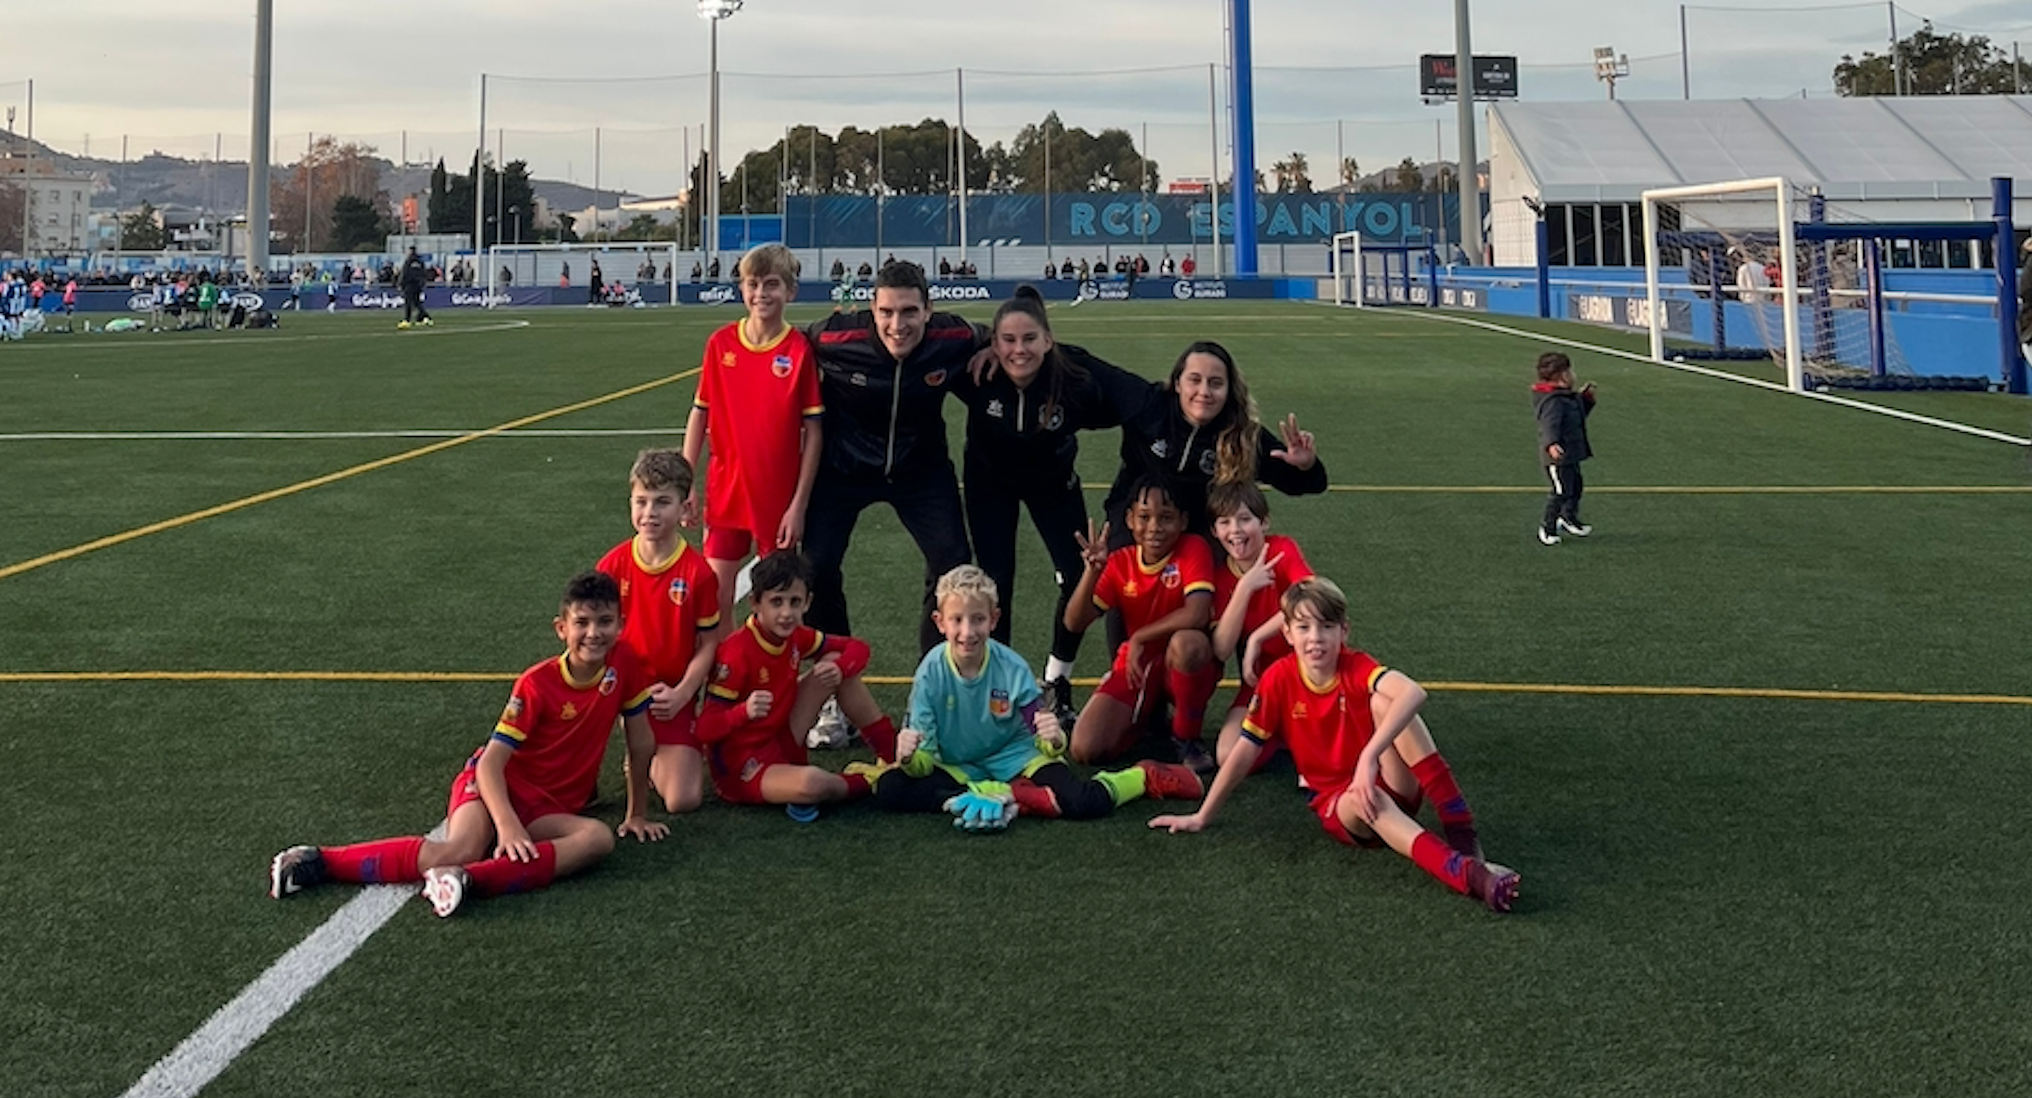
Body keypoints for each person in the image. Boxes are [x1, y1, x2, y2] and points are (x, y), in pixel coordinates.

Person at [267, 572, 669, 918]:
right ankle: (318, 861)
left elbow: (640, 742)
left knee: (597, 839)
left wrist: (636, 813)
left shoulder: (625, 663)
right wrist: (508, 826)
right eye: (582, 622)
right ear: (561, 628)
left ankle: (465, 882)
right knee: (460, 847)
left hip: (549, 805)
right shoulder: (536, 683)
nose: (594, 633)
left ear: (620, 624)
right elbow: (491, 764)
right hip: (497, 784)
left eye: (604, 622)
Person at [1149, 577, 1518, 913]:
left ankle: (1460, 828)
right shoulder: (1279, 678)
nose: (1316, 638)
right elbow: (1245, 750)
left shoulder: (1354, 664)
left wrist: (1369, 756)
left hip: (1389, 780)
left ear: (1344, 632)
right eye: (1304, 627)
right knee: (1367, 799)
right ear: (1289, 634)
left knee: (1387, 702)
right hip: (1342, 804)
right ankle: (1467, 873)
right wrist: (1203, 815)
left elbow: (1413, 692)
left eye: (1326, 628)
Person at [871, 566, 1204, 824]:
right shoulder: (930, 672)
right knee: (891, 789)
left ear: (994, 620)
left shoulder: (1011, 668)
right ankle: (1006, 797)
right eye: (957, 620)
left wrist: (1053, 739)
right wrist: (908, 758)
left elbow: (1046, 740)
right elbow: (923, 760)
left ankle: (1141, 776)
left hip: (1014, 757)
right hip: (961, 766)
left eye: (978, 619)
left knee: (1083, 803)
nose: (967, 632)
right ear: (940, 622)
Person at [955, 284, 1144, 726]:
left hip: (1054, 486)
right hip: (990, 487)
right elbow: (937, 337)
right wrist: (983, 344)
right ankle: (993, 686)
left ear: (1048, 340)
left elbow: (1136, 397)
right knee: (995, 582)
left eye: (1029, 339)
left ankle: (1057, 681)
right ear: (993, 341)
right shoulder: (974, 372)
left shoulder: (1074, 377)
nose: (1018, 350)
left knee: (1080, 577)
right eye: (1007, 340)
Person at [801, 260, 980, 659]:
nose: (897, 324)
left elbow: (1006, 338)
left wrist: (996, 354)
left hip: (922, 469)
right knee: (817, 566)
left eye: (909, 312)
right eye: (886, 312)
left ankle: (934, 677)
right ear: (872, 308)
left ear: (928, 310)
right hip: (843, 469)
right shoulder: (834, 337)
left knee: (952, 565)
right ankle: (836, 674)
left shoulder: (955, 335)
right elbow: (782, 345)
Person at [683, 243, 824, 633]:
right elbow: (700, 413)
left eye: (772, 284)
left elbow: (813, 431)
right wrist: (685, 481)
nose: (761, 293)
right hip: (725, 491)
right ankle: (726, 679)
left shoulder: (798, 350)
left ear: (790, 292)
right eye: (753, 283)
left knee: (779, 598)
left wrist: (798, 504)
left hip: (776, 498)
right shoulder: (720, 344)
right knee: (718, 593)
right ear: (742, 289)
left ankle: (774, 676)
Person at [697, 552, 899, 811]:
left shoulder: (796, 636)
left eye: (795, 602)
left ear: (807, 603)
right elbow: (704, 729)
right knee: (812, 785)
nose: (786, 613)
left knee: (836, 662)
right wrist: (742, 712)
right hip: (744, 767)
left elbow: (857, 648)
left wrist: (839, 667)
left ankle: (893, 756)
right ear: (755, 603)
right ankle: (873, 781)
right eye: (776, 602)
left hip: (781, 740)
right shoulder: (736, 653)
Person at [1100, 340, 1325, 562]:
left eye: (1216, 383)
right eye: (1194, 380)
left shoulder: (1241, 434)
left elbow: (1303, 483)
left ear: (1228, 390)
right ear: (1178, 383)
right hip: (1138, 520)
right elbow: (1096, 375)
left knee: (1206, 583)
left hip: (1200, 531)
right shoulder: (1148, 405)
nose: (1204, 391)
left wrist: (1305, 465)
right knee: (1116, 582)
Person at [1062, 475, 1221, 772]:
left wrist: (1140, 637)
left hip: (1182, 663)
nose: (1155, 528)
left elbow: (1197, 613)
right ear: (1130, 519)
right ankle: (1143, 721)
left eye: (1166, 518)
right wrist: (1091, 573)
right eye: (1145, 517)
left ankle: (1186, 737)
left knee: (1187, 643)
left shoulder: (1193, 548)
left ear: (1183, 521)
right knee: (1085, 749)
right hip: (1138, 666)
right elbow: (1074, 622)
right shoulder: (1120, 561)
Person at [595, 449, 722, 815]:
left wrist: (683, 693)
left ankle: (647, 755)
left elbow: (709, 643)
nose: (650, 513)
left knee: (683, 800)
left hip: (667, 701)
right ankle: (627, 737)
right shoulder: (611, 565)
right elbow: (593, 640)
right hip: (617, 691)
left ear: (684, 508)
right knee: (572, 788)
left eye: (662, 502)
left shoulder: (698, 573)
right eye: (642, 501)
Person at [1206, 481, 1314, 768]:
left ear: (1263, 522)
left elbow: (1310, 596)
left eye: (1245, 519)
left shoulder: (1281, 549)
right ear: (1215, 531)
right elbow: (1221, 649)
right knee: (1227, 756)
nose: (1235, 530)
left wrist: (1256, 638)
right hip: (1261, 684)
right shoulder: (1218, 576)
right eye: (1225, 522)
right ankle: (1283, 733)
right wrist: (1244, 589)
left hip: (1307, 675)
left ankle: (1298, 730)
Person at [1532, 351, 1597, 546]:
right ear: (1561, 376)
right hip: (1558, 457)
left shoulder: (1567, 397)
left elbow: (1576, 417)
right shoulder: (1553, 401)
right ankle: (1547, 526)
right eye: (1569, 371)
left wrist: (1586, 400)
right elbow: (1549, 425)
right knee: (1560, 491)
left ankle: (1568, 518)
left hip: (1571, 453)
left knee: (1575, 486)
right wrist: (1551, 445)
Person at [396, 247, 433, 329]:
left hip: (409, 284)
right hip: (418, 285)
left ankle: (407, 320)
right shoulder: (420, 261)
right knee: (417, 302)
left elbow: (405, 273)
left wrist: (400, 284)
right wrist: (422, 282)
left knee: (408, 303)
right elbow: (423, 273)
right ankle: (425, 318)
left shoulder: (409, 261)